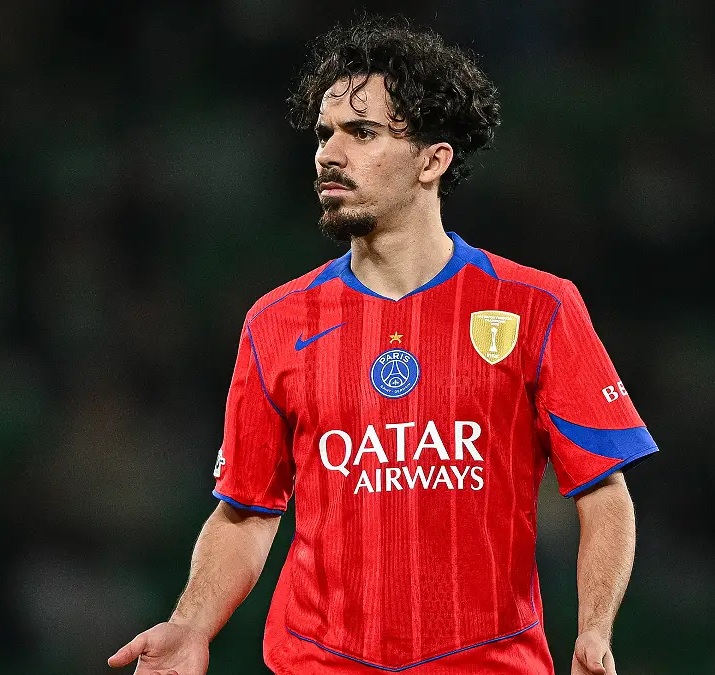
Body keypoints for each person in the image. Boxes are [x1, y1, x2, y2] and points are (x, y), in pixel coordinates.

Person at [109, 16, 658, 675]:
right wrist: (191, 623)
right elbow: (246, 512)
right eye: (324, 133)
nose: (328, 154)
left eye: (361, 132)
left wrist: (595, 630)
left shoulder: (537, 306)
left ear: (433, 158)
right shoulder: (275, 321)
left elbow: (602, 491)